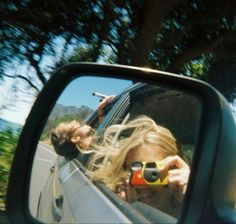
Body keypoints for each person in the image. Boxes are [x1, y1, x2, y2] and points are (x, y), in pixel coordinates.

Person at [88, 115, 190, 218]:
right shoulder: (117, 203)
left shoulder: (195, 206)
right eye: (134, 172)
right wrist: (128, 211)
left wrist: (190, 194)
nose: (141, 185)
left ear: (174, 169)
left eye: (151, 171)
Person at [50, 95, 114, 159]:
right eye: (71, 125)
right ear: (75, 138)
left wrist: (100, 110)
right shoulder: (98, 156)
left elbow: (104, 131)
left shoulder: (91, 151)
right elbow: (108, 134)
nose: (74, 120)